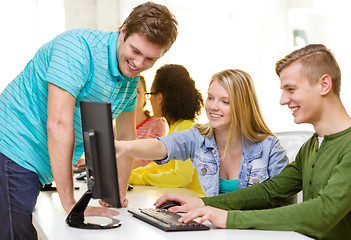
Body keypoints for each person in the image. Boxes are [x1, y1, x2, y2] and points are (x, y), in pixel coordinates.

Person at [0, 2, 177, 239]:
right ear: (123, 31)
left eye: (150, 59)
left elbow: (126, 137)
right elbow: (58, 124)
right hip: (12, 145)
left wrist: (116, 196)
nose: (138, 64)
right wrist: (70, 203)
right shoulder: (78, 48)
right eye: (135, 51)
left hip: (36, 165)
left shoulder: (129, 81)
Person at [154, 44, 351, 239]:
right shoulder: (312, 145)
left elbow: (323, 212)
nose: (283, 100)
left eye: (290, 89)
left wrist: (229, 219)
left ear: (324, 85)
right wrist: (203, 203)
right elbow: (270, 190)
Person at [117, 69, 288, 196]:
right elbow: (162, 146)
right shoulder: (198, 137)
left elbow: (282, 206)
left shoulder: (270, 149)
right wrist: (122, 147)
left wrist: (207, 207)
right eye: (211, 98)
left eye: (225, 101)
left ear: (243, 106)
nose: (213, 106)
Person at [128, 64, 206, 195]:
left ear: (159, 98)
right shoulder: (176, 127)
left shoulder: (185, 129)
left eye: (150, 94)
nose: (150, 99)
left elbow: (181, 177)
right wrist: (129, 175)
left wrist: (137, 178)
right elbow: (158, 166)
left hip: (195, 205)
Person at [121, 75, 168, 168]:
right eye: (129, 91)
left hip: (141, 179)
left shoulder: (157, 123)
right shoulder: (117, 127)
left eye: (137, 91)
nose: (132, 95)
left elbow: (150, 159)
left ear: (145, 95)